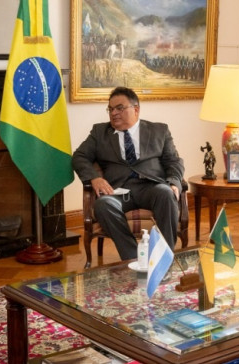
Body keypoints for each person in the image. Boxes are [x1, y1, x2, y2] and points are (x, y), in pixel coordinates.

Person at [72, 87, 185, 260]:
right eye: (110, 109)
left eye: (119, 108)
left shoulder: (159, 130)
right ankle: (133, 258)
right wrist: (94, 178)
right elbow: (79, 157)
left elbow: (174, 161)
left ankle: (163, 259)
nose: (114, 113)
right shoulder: (99, 133)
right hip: (117, 191)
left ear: (136, 109)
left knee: (166, 194)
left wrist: (173, 182)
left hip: (151, 187)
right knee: (103, 205)